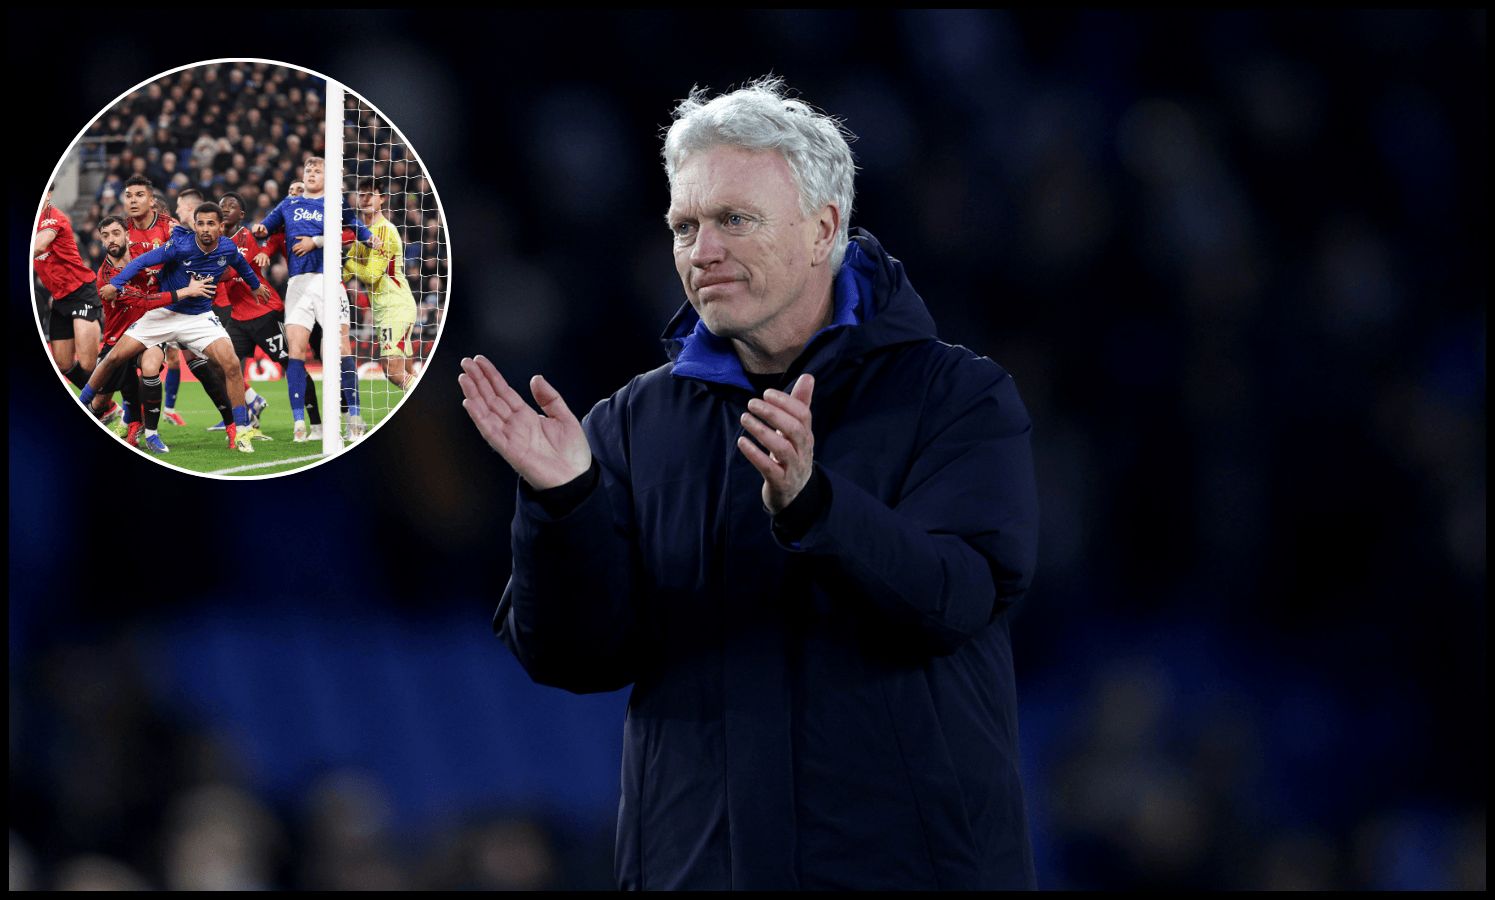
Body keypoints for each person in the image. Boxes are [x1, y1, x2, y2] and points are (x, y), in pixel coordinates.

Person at [460, 77, 1040, 890]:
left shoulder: (956, 398)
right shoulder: (627, 424)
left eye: (734, 219)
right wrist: (566, 505)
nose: (702, 252)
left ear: (822, 229)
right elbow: (574, 657)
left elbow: (955, 598)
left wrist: (816, 506)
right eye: (684, 226)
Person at [86, 201, 271, 453]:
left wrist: (255, 286)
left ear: (220, 227)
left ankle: (240, 430)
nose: (205, 229)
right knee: (113, 358)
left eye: (211, 224)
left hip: (199, 318)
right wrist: (117, 283)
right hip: (164, 313)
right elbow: (142, 262)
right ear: (195, 225)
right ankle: (83, 404)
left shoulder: (227, 248)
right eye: (201, 223)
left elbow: (240, 265)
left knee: (230, 364)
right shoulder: (181, 246)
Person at [253, 158, 378, 442]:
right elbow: (267, 227)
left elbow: (354, 226)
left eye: (316, 170)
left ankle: (354, 416)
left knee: (341, 346)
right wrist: (261, 230)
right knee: (295, 350)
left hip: (328, 281)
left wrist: (366, 237)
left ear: (328, 176)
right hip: (298, 284)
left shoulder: (334, 202)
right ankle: (300, 423)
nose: (310, 173)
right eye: (307, 170)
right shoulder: (288, 204)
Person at [93, 215, 168, 449]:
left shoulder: (145, 257)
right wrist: (181, 294)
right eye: (105, 236)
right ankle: (131, 421)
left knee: (150, 366)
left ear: (127, 234)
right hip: (117, 337)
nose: (111, 240)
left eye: (116, 233)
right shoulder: (106, 277)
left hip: (150, 333)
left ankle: (150, 432)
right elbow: (145, 300)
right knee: (99, 401)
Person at [344, 178, 418, 390]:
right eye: (361, 194)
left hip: (395, 306)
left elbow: (371, 275)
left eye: (371, 194)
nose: (365, 198)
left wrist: (347, 261)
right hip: (385, 308)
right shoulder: (362, 234)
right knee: (408, 373)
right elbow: (346, 271)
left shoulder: (384, 230)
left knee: (392, 371)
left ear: (382, 199)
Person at [33, 187, 105, 393]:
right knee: (63, 364)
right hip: (60, 298)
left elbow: (38, 246)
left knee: (88, 364)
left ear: (48, 195)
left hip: (81, 291)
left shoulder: (53, 217)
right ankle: (105, 406)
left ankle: (117, 404)